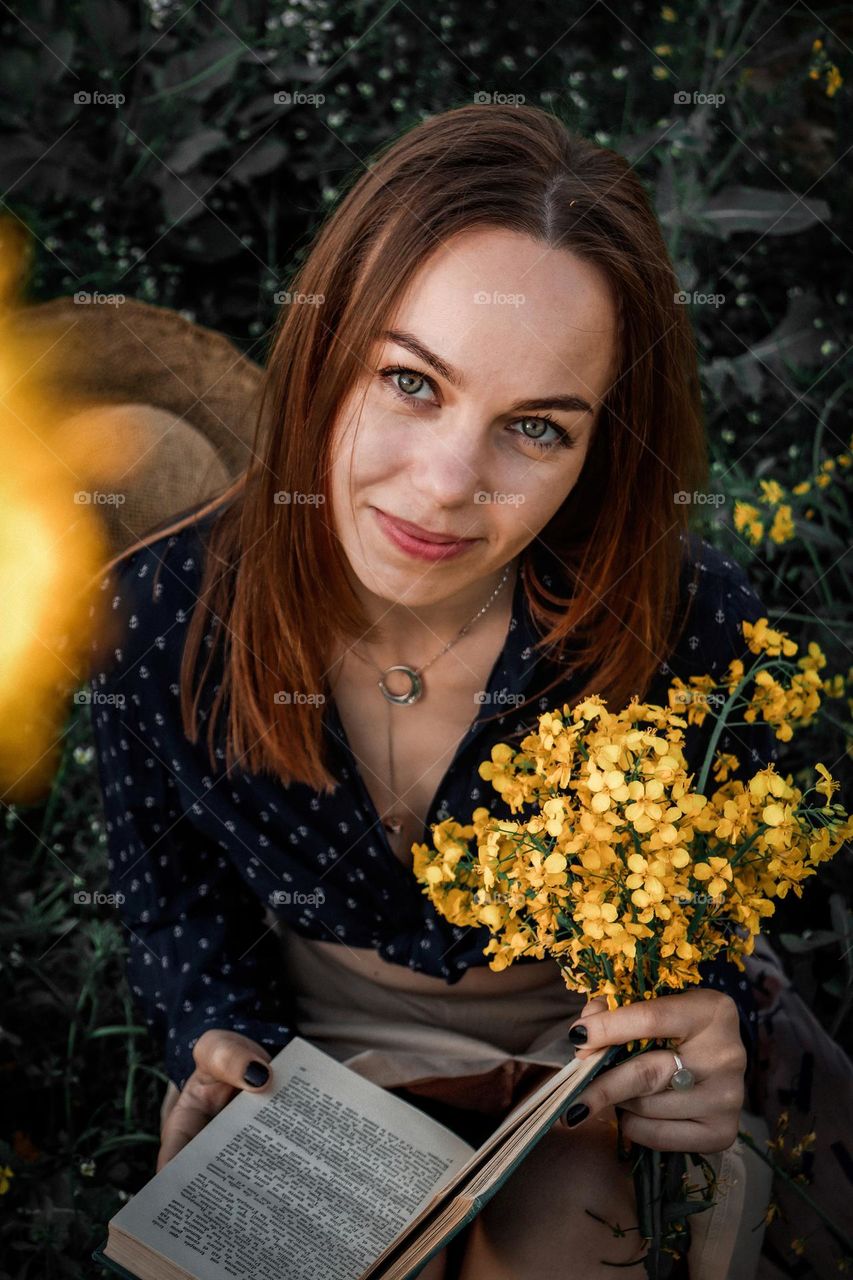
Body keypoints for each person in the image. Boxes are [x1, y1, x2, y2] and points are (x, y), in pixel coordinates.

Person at [87, 102, 777, 1278]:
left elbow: (715, 923)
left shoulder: (692, 625)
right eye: (411, 382)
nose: (450, 482)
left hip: (572, 1057)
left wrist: (710, 1028)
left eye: (537, 429)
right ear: (326, 350)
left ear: (601, 448)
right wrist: (213, 1039)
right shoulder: (161, 613)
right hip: (320, 1049)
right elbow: (174, 898)